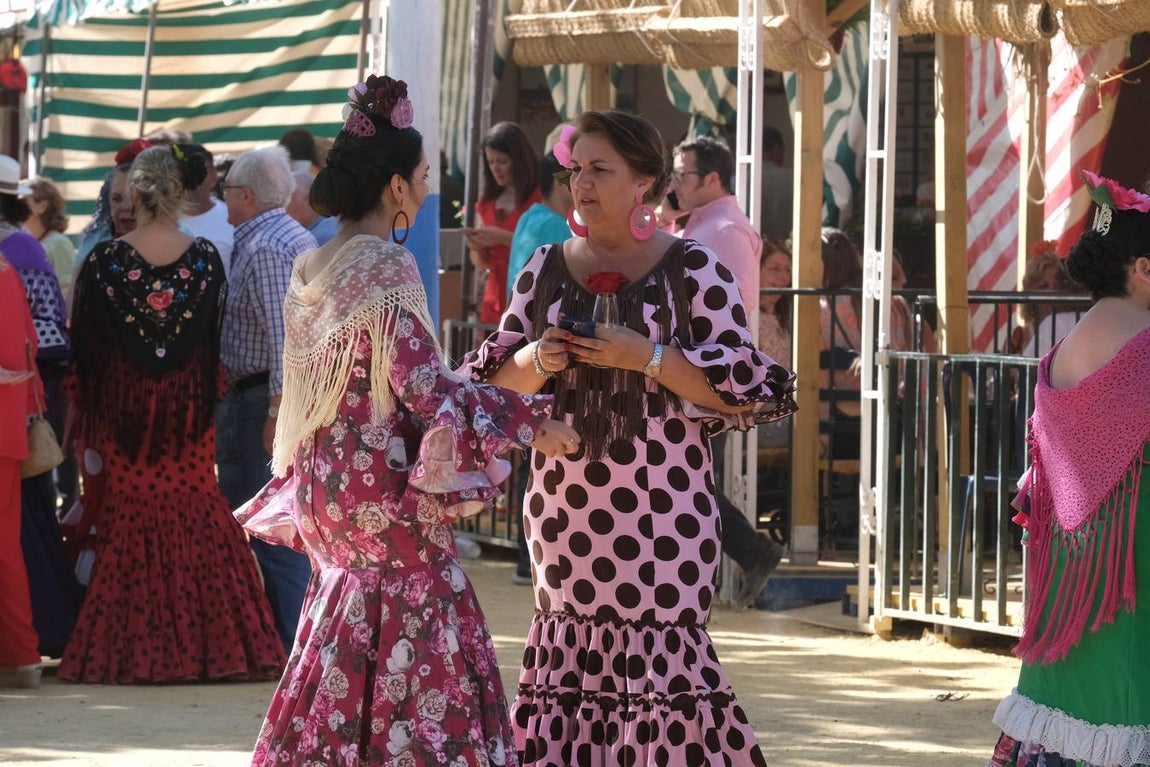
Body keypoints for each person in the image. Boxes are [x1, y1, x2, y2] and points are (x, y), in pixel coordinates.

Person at [235, 74, 578, 766]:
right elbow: (425, 389)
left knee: (341, 634)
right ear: (395, 186)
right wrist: (529, 417)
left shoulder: (310, 265)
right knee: (425, 643)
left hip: (327, 490)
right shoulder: (386, 266)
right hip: (386, 503)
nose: (426, 192)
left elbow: (321, 389)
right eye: (422, 177)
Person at [465, 109, 796, 765]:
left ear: (643, 181)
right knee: (568, 667)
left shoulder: (694, 268)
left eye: (599, 170)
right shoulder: (541, 268)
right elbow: (494, 382)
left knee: (667, 666)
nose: (580, 184)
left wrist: (646, 356)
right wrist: (541, 358)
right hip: (566, 515)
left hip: (664, 516)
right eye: (575, 169)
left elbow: (739, 386)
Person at [59, 146, 285, 684]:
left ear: (136, 193)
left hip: (125, 407)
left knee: (132, 514)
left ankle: (130, 651)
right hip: (188, 408)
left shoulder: (106, 261)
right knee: (198, 506)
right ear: (182, 193)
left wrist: (86, 409)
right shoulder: (205, 257)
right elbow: (212, 343)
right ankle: (215, 645)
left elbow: (86, 349)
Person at [985, 172, 1150, 767]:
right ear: (1144, 268)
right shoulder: (1145, 344)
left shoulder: (1067, 344)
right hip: (1131, 564)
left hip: (1070, 569)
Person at [669, 135, 785, 607]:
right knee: (687, 478)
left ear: (711, 178)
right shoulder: (699, 224)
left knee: (688, 480)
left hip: (705, 371)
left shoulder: (727, 230)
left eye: (683, 175)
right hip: (681, 367)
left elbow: (734, 308)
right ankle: (748, 552)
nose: (674, 183)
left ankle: (744, 554)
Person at [216, 146, 317, 653]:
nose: (223, 198)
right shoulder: (276, 238)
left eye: (228, 190)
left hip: (260, 399)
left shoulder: (267, 246)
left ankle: (293, 644)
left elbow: (286, 338)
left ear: (248, 195)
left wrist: (277, 412)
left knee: (273, 532)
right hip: (258, 397)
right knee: (273, 527)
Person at [0, 254, 47, 689]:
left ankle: (20, 654)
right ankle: (21, 655)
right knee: (6, 549)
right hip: (8, 425)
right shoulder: (7, 270)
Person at [465, 121, 541, 324]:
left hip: (530, 294)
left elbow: (549, 247)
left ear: (519, 160)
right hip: (494, 298)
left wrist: (505, 238)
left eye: (502, 162)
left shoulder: (540, 199)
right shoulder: (486, 203)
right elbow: (481, 263)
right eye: (491, 162)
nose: (495, 169)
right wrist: (475, 246)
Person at [1010, 242, 1081, 357]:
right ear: (1029, 290)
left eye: (1057, 286)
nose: (1051, 292)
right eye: (1044, 286)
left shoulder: (1071, 328)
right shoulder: (1019, 336)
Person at [178, 143, 235, 276]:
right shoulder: (161, 219)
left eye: (196, 172)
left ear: (213, 178)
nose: (187, 178)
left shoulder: (232, 218)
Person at [26, 177, 76, 302]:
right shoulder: (32, 242)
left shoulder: (58, 243)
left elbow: (66, 291)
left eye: (22, 201)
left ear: (42, 207)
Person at [285, 169, 338, 246]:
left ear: (309, 199)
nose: (284, 206)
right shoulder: (328, 224)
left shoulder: (322, 236)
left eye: (289, 198)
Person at [759, 125, 794, 240]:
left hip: (752, 250)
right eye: (783, 150)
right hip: (788, 249)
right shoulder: (796, 179)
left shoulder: (738, 181)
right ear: (777, 149)